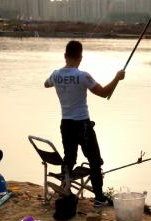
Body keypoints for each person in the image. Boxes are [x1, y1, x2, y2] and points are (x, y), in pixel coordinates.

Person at [44, 40, 125, 207]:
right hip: (82, 125)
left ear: (65, 56)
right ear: (80, 57)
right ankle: (99, 198)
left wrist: (59, 80)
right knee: (95, 160)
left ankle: (66, 190)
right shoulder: (83, 76)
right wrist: (117, 78)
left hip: (66, 124)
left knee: (69, 158)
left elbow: (46, 84)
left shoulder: (56, 74)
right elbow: (103, 93)